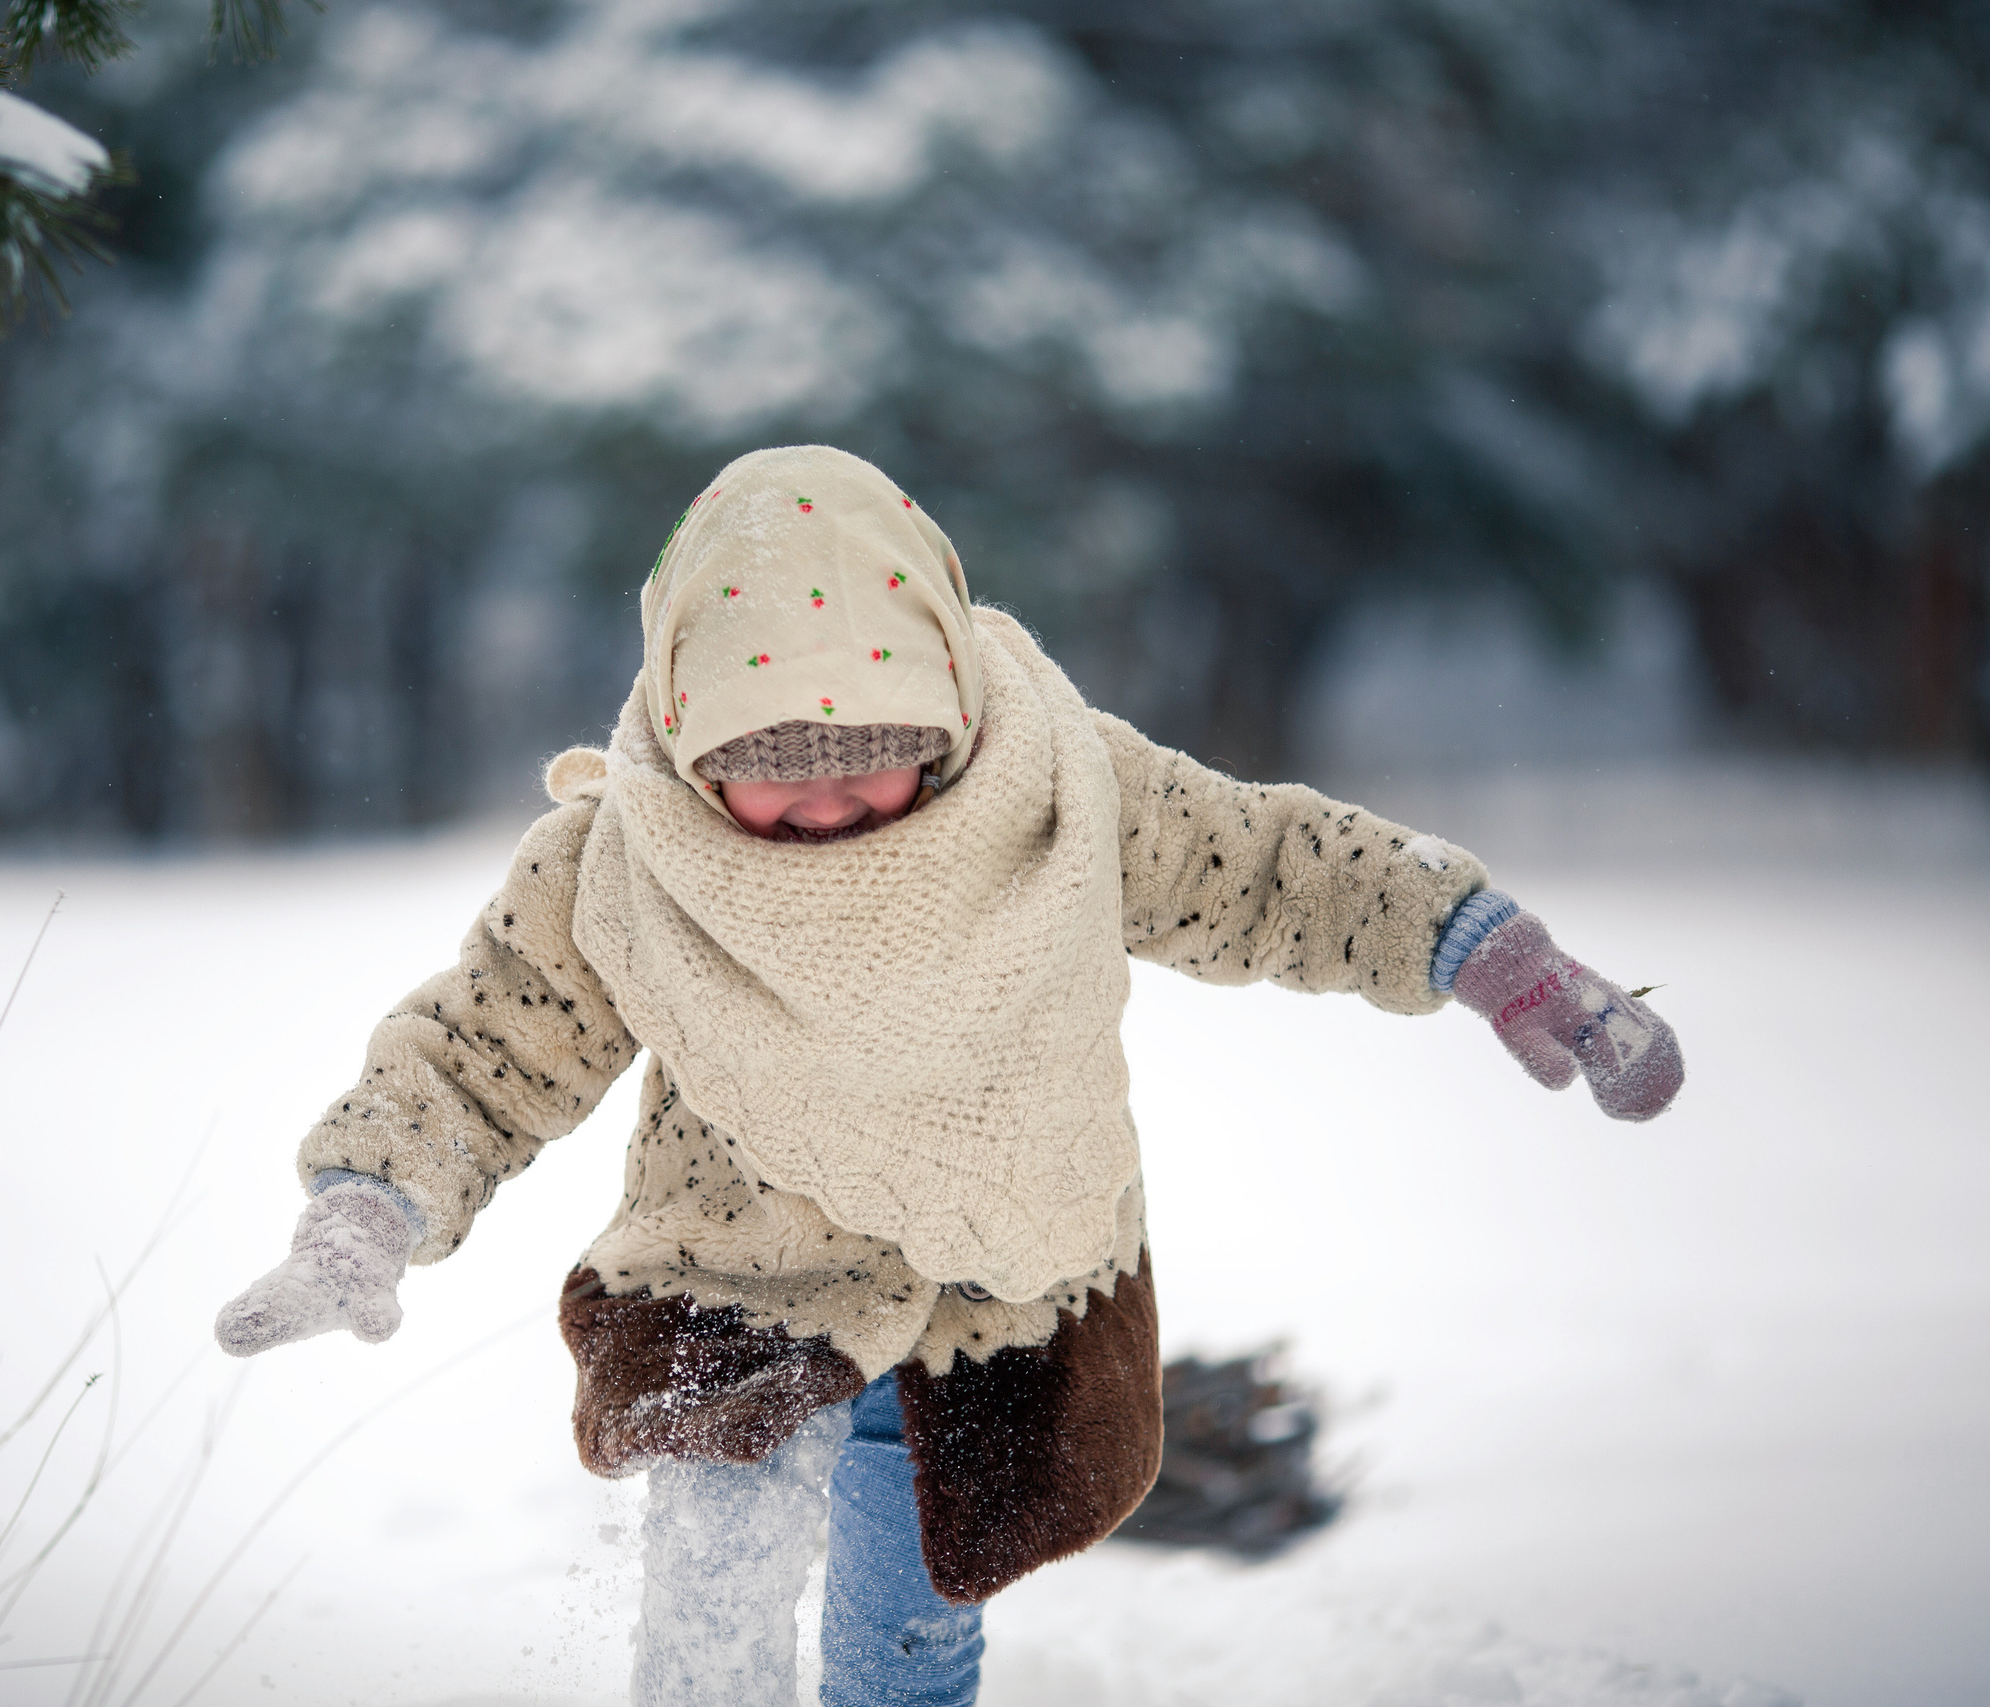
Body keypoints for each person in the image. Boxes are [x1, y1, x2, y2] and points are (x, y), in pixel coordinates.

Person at [213, 444, 1684, 1707]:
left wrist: (1486, 952)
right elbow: (484, 1043)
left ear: (952, 715)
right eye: (767, 765)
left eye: (875, 757)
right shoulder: (622, 865)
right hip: (738, 1284)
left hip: (994, 1295)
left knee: (908, 1639)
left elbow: (1270, 866)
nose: (826, 801)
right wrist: (366, 1201)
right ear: (679, 728)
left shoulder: (1064, 790)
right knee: (710, 1640)